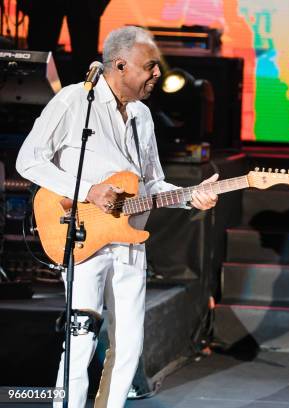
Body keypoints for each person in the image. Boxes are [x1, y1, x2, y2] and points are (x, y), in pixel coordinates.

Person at [16, 26, 218, 407]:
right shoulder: (75, 101)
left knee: (129, 344)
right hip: (82, 235)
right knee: (81, 337)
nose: (157, 75)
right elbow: (28, 160)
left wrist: (191, 197)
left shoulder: (142, 115)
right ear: (121, 65)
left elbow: (152, 184)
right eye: (150, 67)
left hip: (129, 242)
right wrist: (87, 191)